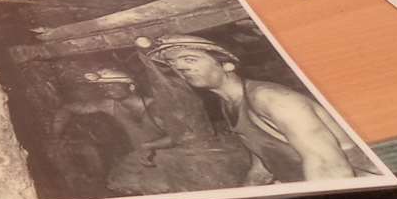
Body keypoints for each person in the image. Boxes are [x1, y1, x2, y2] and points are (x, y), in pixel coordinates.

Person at [142, 35, 378, 184]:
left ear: (226, 65)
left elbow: (330, 167)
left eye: (189, 59)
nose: (180, 68)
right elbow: (264, 161)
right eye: (174, 65)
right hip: (306, 181)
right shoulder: (229, 104)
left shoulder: (271, 99)